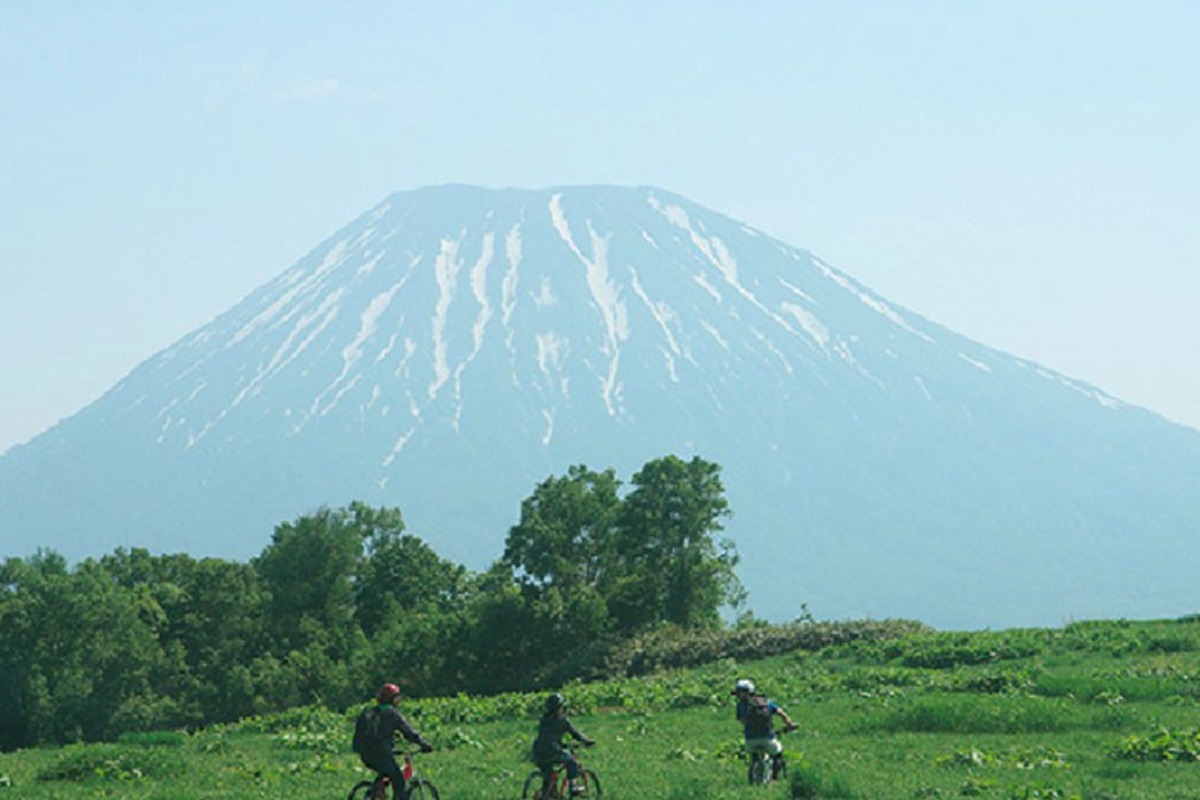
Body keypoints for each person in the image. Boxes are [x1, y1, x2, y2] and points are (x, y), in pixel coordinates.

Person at [352, 682, 434, 800]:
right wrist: (424, 744)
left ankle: (376, 792)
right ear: (392, 699)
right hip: (382, 755)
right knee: (399, 779)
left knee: (385, 772)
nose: (399, 700)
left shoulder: (372, 712)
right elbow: (408, 732)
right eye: (398, 697)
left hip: (366, 755)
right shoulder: (392, 714)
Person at [731, 678, 796, 781]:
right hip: (768, 737)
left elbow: (741, 721)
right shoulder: (766, 702)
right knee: (777, 753)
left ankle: (753, 773)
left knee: (753, 754)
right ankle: (774, 778)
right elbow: (781, 713)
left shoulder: (740, 706)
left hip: (750, 740)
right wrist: (790, 724)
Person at [532, 692, 595, 797]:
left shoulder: (543, 720)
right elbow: (575, 734)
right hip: (552, 750)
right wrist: (587, 741)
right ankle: (574, 786)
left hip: (538, 751)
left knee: (548, 774)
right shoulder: (562, 720)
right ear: (560, 707)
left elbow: (548, 737)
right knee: (572, 761)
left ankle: (547, 794)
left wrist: (561, 744)